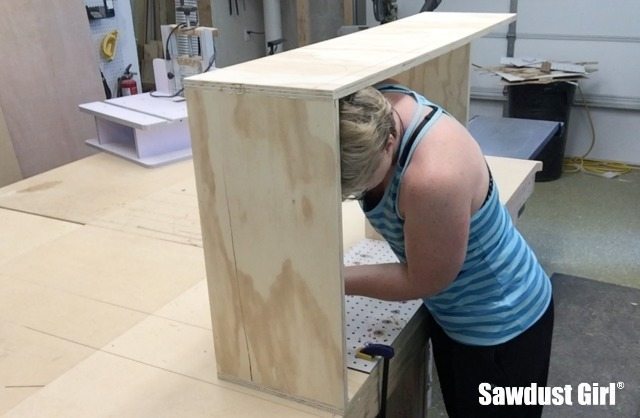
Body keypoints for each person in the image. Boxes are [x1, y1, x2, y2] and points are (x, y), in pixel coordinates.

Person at [339, 80, 554, 418]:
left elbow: (425, 279)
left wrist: (334, 278)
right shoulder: (372, 107)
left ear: (389, 143)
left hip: (500, 324)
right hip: (456, 315)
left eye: (361, 182)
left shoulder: (432, 179)